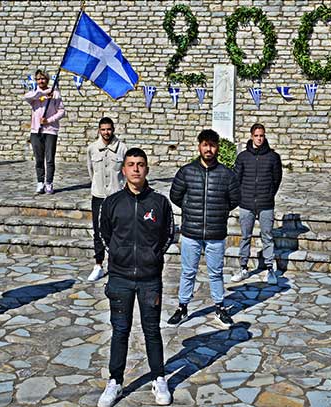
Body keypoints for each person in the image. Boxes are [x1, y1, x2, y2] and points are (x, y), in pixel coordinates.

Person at [97, 148, 174, 407]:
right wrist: (118, 254)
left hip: (149, 278)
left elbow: (168, 235)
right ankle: (115, 381)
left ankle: (159, 377)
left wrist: (153, 256)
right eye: (131, 164)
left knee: (152, 330)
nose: (136, 169)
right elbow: (104, 233)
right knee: (120, 330)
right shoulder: (112, 203)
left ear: (147, 169)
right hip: (120, 278)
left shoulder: (159, 203)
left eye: (140, 164)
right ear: (124, 170)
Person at [167, 129, 240, 327]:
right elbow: (175, 195)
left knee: (216, 272)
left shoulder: (227, 175)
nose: (208, 149)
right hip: (191, 232)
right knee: (188, 272)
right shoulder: (186, 172)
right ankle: (182, 307)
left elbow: (234, 199)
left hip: (216, 233)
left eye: (212, 145)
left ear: (217, 148)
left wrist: (219, 210)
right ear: (199, 146)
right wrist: (191, 208)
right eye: (205, 145)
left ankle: (220, 307)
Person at [231, 123, 282, 284]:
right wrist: (241, 196)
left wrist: (269, 194)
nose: (259, 138)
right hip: (246, 203)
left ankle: (270, 269)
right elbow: (236, 179)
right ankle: (243, 268)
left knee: (267, 236)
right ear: (252, 136)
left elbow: (277, 179)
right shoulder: (243, 157)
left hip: (265, 203)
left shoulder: (273, 157)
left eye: (262, 135)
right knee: (245, 236)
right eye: (256, 136)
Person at [86, 117, 127, 282]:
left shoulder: (122, 148)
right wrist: (98, 185)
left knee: (117, 230)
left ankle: (117, 263)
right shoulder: (92, 149)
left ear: (113, 129)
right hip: (98, 195)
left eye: (109, 129)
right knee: (98, 231)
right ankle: (98, 265)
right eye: (103, 129)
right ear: (99, 130)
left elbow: (125, 171)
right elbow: (91, 170)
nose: (106, 132)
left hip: (116, 196)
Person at [23, 69, 65, 194]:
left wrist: (49, 120)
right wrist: (45, 94)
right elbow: (26, 97)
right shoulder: (34, 94)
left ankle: (49, 183)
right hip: (36, 130)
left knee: (49, 159)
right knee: (39, 158)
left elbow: (62, 111)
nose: (41, 81)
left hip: (50, 130)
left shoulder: (55, 94)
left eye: (43, 78)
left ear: (47, 79)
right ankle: (40, 182)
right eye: (38, 79)